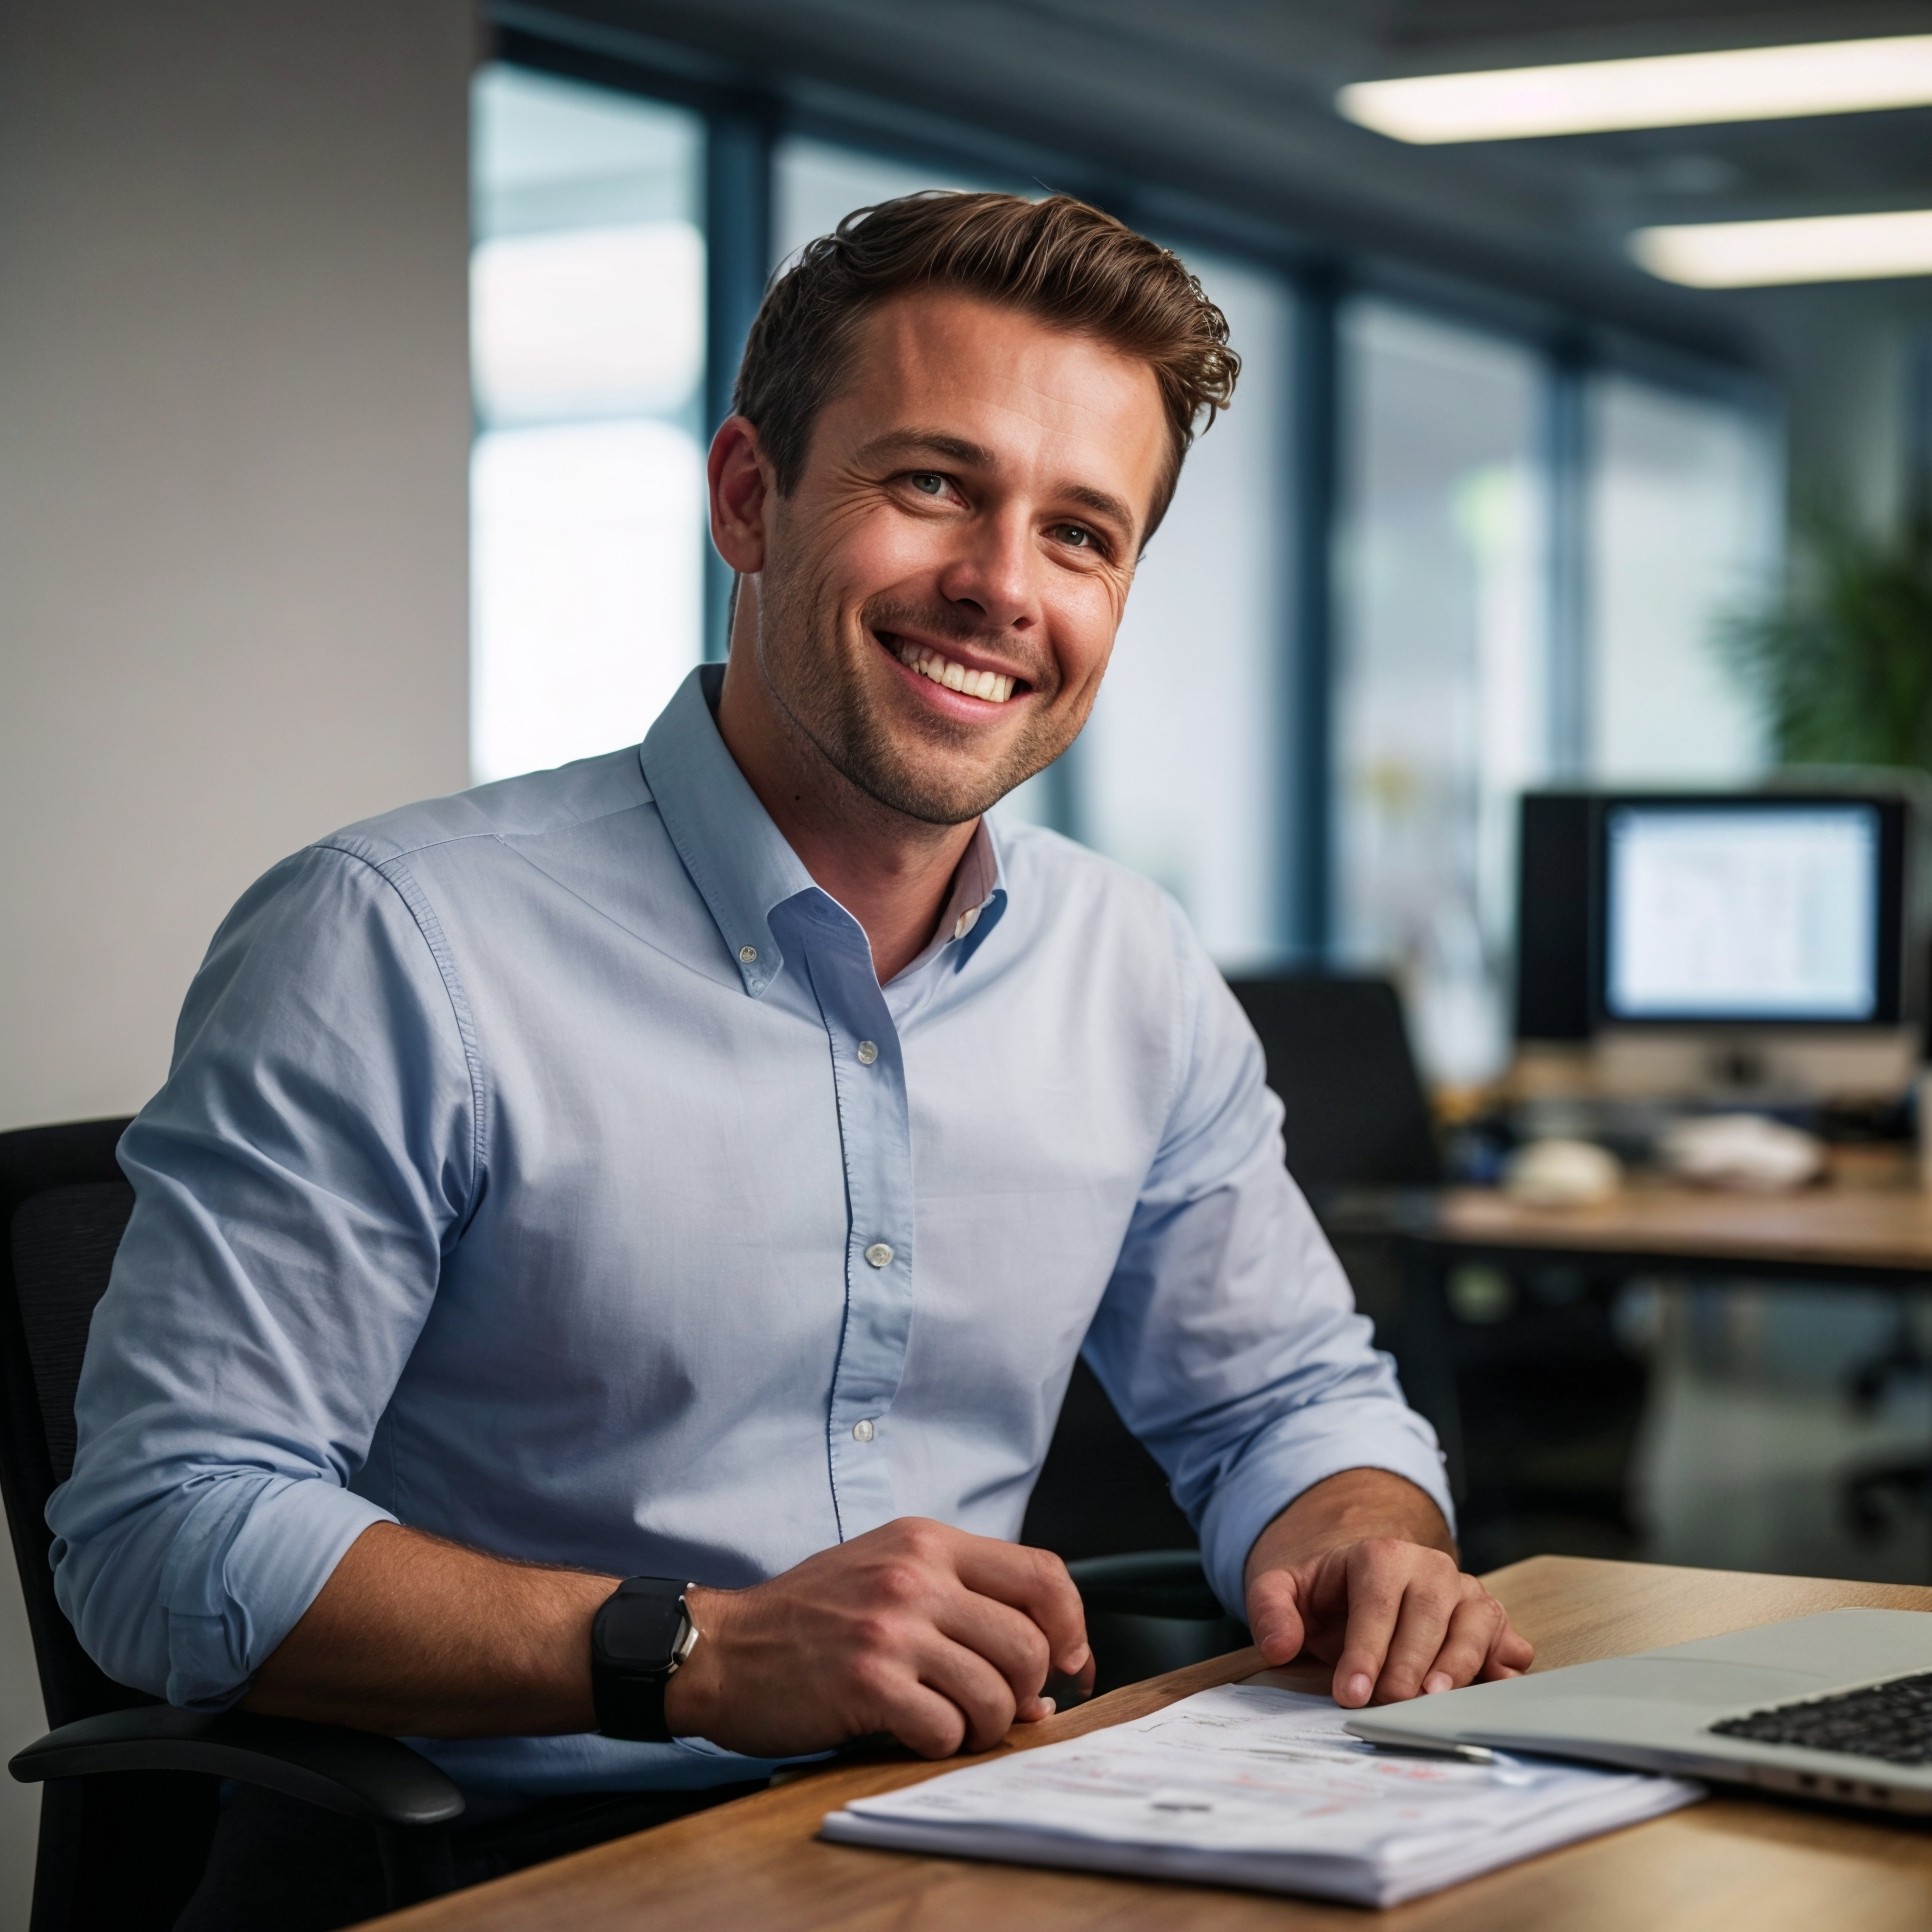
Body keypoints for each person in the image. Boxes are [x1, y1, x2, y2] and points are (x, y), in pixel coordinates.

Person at [49, 191, 1530, 1923]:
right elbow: (161, 1532)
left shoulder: (1128, 963)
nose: (1000, 587)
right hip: (481, 1858)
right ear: (749, 497)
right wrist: (704, 1650)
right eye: (933, 485)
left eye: (1081, 534)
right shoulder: (393, 939)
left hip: (968, 1835)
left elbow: (1288, 1400)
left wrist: (1364, 1541)